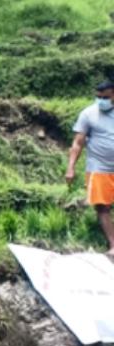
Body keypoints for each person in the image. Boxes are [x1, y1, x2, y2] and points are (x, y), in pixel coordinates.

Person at [66, 79, 114, 255]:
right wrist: (71, 167)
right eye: (98, 96)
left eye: (105, 97)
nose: (101, 100)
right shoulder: (88, 114)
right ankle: (113, 245)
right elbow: (78, 142)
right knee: (103, 207)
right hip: (99, 168)